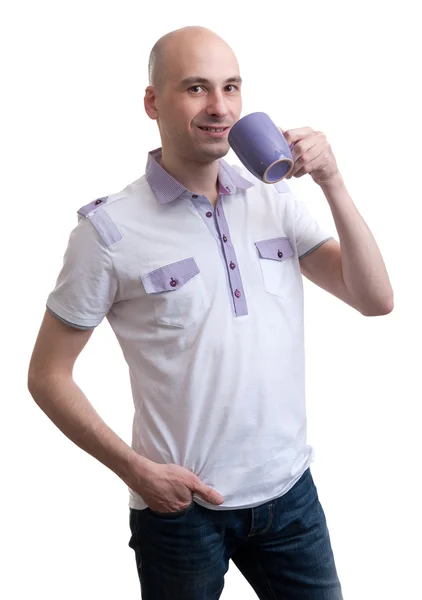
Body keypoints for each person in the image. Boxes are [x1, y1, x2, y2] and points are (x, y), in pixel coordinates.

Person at [27, 25, 393, 600]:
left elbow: (375, 300)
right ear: (153, 102)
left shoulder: (274, 197)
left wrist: (333, 181)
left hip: (291, 496)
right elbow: (47, 374)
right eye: (195, 88)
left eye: (231, 88)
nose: (219, 107)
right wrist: (135, 471)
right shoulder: (108, 232)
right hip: (182, 511)